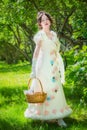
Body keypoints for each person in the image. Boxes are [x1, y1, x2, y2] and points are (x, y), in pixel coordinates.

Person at [24, 11, 72, 127]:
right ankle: (44, 115)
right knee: (44, 89)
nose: (45, 21)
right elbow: (36, 53)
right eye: (42, 20)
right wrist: (33, 70)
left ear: (50, 21)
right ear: (40, 24)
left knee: (56, 89)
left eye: (47, 19)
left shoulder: (54, 35)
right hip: (42, 66)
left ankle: (59, 117)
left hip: (53, 66)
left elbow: (56, 49)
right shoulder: (40, 36)